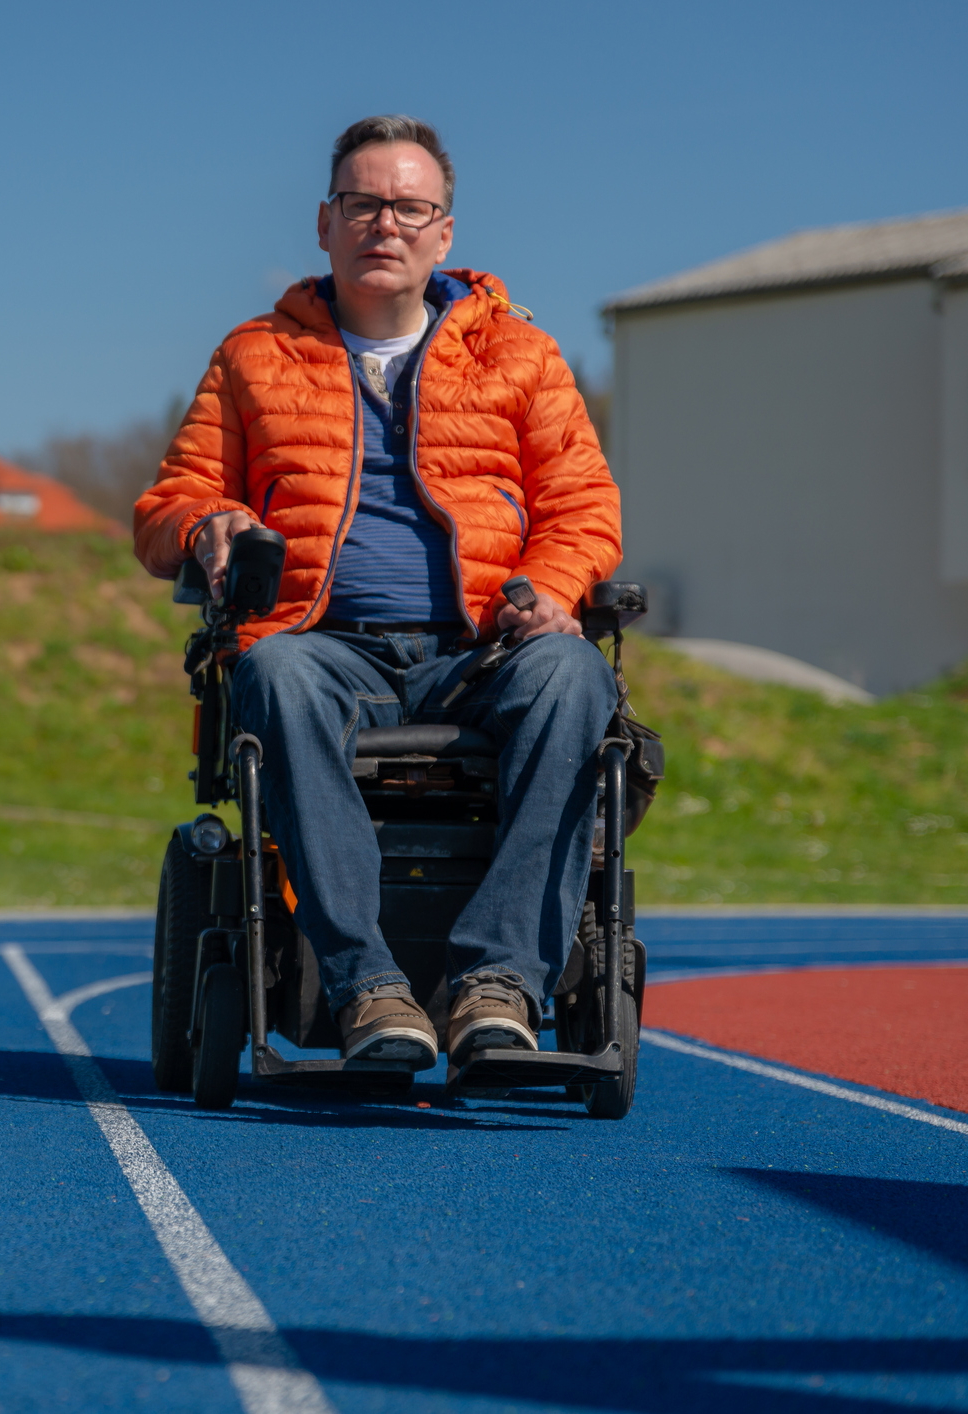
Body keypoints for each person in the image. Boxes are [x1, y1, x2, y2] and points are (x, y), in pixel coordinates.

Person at [132, 114, 622, 1070]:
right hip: (325, 646)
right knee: (270, 673)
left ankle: (500, 982)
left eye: (408, 207)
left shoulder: (521, 356)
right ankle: (368, 988)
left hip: (482, 650)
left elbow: (583, 505)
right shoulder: (253, 355)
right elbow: (166, 506)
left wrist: (555, 588)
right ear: (325, 222)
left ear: (444, 231)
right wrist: (206, 526)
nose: (383, 224)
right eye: (362, 204)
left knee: (573, 679)